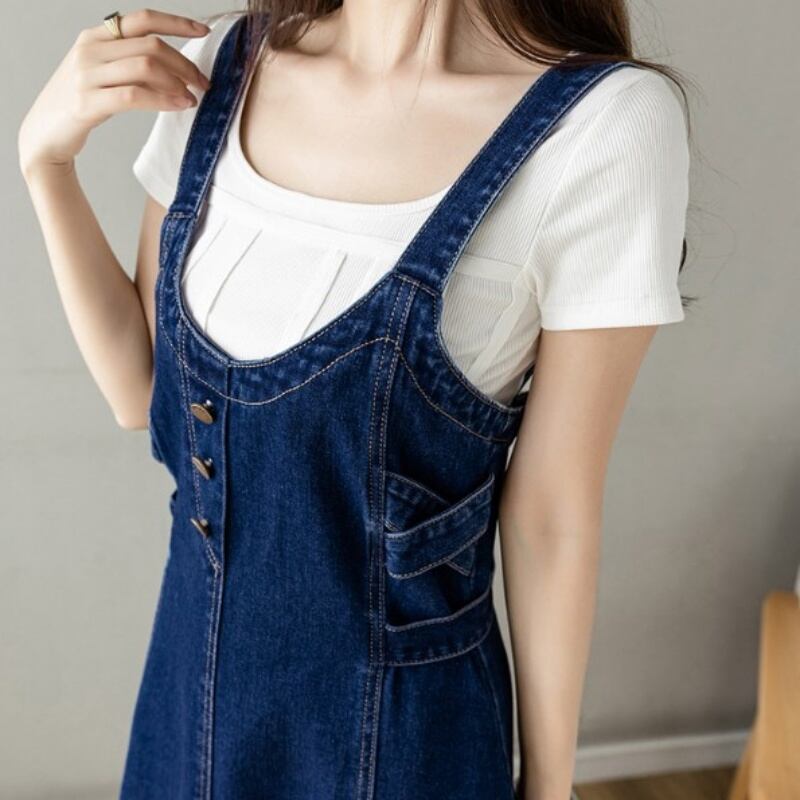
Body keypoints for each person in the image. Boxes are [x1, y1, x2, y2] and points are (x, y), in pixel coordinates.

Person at [18, 3, 691, 798]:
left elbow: (550, 512)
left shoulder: (604, 126)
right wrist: (45, 164)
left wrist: (547, 785)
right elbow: (143, 391)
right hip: (185, 708)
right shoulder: (228, 63)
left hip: (402, 747)